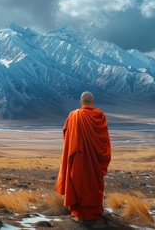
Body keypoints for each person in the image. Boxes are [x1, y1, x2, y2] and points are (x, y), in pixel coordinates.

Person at [55, 91, 111, 224]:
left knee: (78, 183)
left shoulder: (74, 115)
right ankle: (96, 216)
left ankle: (79, 215)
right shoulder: (100, 115)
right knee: (94, 185)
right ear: (93, 101)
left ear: (81, 102)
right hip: (95, 161)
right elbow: (104, 140)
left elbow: (67, 135)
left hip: (78, 159)